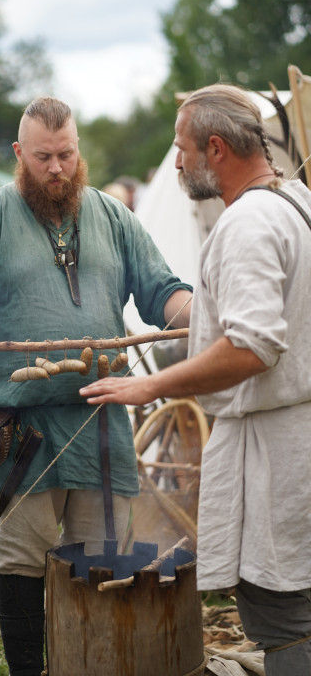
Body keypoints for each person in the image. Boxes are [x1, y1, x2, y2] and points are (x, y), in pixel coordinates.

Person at [0, 97, 192, 676]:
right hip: (22, 425)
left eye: (66, 154)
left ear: (79, 150)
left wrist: (203, 312)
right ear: (20, 154)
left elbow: (161, 289)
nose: (57, 169)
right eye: (43, 157)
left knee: (100, 558)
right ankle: (29, 671)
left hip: (102, 420)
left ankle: (90, 665)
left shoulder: (113, 217)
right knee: (22, 558)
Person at [80, 83, 311, 676]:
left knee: (282, 620)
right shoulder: (297, 201)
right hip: (290, 436)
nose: (177, 161)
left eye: (182, 149)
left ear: (216, 148)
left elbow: (253, 346)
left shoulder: (249, 223)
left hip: (278, 450)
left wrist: (150, 386)